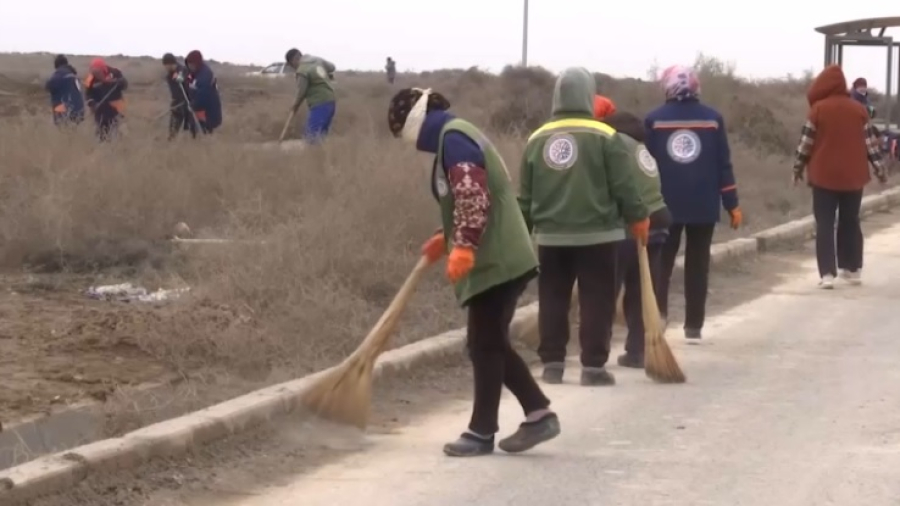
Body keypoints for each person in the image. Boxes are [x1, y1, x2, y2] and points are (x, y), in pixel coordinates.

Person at [387, 87, 560, 457]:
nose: (412, 144)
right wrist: (446, 236)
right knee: (489, 341)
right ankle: (538, 413)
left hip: (497, 259)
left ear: (416, 122)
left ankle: (483, 432)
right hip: (501, 255)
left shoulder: (454, 137)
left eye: (406, 134)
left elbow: (472, 195)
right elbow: (473, 194)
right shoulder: (458, 134)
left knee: (484, 343)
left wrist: (463, 244)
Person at [519, 68, 650, 386]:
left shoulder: (537, 139)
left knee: (552, 298)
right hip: (598, 235)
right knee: (597, 299)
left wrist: (523, 233)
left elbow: (525, 195)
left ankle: (552, 364)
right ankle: (592, 367)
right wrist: (638, 216)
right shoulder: (606, 137)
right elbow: (623, 185)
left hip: (551, 236)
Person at [644, 64, 742, 340]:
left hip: (664, 206)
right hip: (703, 204)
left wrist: (642, 204)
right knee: (698, 265)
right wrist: (732, 203)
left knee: (662, 264)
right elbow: (724, 165)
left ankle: (659, 320)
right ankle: (693, 327)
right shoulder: (713, 119)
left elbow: (644, 166)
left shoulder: (654, 120)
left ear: (668, 86)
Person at [792, 65, 887, 288]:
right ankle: (853, 269)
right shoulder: (858, 110)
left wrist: (797, 170)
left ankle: (827, 274)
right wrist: (880, 171)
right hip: (854, 177)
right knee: (851, 220)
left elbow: (805, 145)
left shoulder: (817, 110)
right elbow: (870, 145)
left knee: (824, 223)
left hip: (823, 177)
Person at [599, 106, 672, 368]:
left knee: (609, 287)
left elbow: (614, 187)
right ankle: (638, 350)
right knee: (641, 288)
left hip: (635, 221)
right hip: (660, 219)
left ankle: (598, 350)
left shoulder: (616, 145)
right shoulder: (641, 148)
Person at [285, 48, 337, 143]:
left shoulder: (302, 71)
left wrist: (295, 106)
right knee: (320, 136)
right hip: (331, 101)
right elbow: (332, 67)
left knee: (311, 137)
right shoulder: (317, 60)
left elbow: (301, 92)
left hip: (320, 103)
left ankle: (313, 156)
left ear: (294, 60)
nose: (294, 68)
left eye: (292, 65)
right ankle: (323, 157)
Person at [84, 58, 127, 141]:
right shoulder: (90, 79)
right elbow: (87, 95)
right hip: (100, 112)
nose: (96, 75)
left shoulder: (115, 73)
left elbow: (125, 85)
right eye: (94, 73)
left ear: (103, 69)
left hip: (117, 110)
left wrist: (119, 82)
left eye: (98, 72)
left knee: (118, 135)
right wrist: (92, 104)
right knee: (101, 137)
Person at [184, 50, 222, 134]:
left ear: (196, 63)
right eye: (188, 64)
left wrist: (193, 105)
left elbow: (203, 95)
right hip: (197, 110)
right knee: (194, 133)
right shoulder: (193, 72)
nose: (190, 67)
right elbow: (189, 81)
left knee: (204, 133)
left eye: (191, 64)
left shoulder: (205, 75)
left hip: (207, 111)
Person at [162, 53, 196, 139]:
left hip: (189, 102)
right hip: (177, 103)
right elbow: (174, 92)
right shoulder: (168, 76)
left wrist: (182, 79)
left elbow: (191, 82)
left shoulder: (184, 70)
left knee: (193, 129)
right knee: (173, 129)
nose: (165, 67)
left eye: (166, 65)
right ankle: (171, 144)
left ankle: (196, 145)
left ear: (170, 64)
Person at [45, 55, 85, 126]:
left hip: (65, 111)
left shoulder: (60, 73)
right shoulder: (74, 75)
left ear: (56, 65)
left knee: (63, 132)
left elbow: (49, 86)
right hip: (79, 110)